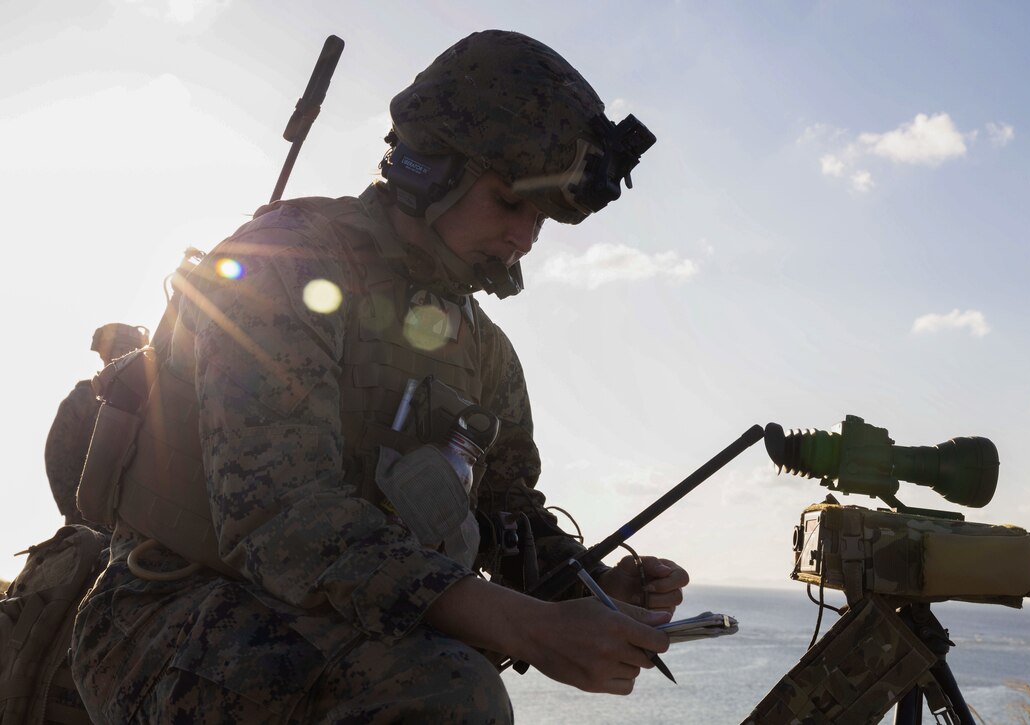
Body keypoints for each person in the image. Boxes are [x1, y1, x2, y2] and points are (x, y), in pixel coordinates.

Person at [71, 30, 688, 723]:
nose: (525, 238)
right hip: (167, 611)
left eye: (541, 216)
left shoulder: (483, 351)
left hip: (331, 624)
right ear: (434, 168)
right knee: (445, 692)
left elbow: (506, 512)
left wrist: (591, 586)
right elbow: (284, 517)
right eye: (510, 201)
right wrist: (529, 628)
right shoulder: (285, 264)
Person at [44, 322, 148, 529]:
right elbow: (58, 454)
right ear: (105, 355)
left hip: (135, 517)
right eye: (121, 348)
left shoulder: (149, 401)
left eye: (134, 349)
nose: (127, 353)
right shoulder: (84, 398)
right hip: (91, 517)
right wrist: (77, 510)